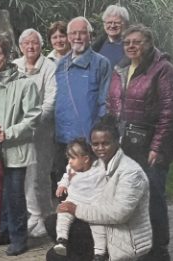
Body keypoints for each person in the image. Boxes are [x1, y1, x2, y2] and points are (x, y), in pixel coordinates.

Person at [106, 24, 173, 261]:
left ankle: (159, 252)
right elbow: (113, 106)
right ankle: (137, 248)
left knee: (153, 199)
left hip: (152, 147)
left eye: (137, 41)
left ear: (149, 43)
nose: (131, 46)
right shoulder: (120, 69)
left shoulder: (162, 69)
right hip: (127, 145)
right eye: (127, 42)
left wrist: (157, 146)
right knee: (133, 199)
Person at [46, 116, 152, 261]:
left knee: (58, 256)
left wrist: (76, 209)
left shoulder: (130, 172)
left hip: (126, 234)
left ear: (118, 141)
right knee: (52, 223)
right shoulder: (96, 164)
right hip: (105, 222)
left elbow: (119, 215)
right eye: (95, 144)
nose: (100, 148)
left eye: (106, 143)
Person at [0, 33, 41, 256]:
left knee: (14, 194)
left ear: (8, 54)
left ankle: (19, 237)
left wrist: (9, 133)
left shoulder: (25, 83)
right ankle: (1, 232)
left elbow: (33, 118)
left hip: (16, 150)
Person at [54, 16, 112, 180]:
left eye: (82, 33)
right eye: (73, 33)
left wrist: (99, 134)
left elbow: (105, 101)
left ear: (90, 36)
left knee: (90, 185)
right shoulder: (60, 65)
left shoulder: (101, 63)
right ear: (68, 36)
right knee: (64, 185)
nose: (77, 37)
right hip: (63, 137)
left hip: (88, 137)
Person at [13, 28, 57, 238]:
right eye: (27, 43)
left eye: (35, 43)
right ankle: (35, 214)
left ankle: (45, 216)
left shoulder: (49, 67)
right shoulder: (15, 66)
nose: (31, 47)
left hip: (41, 129)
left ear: (41, 46)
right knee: (26, 174)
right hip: (20, 131)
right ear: (21, 47)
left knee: (41, 174)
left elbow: (51, 99)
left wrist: (33, 119)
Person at [52, 139, 108, 261]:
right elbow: (66, 176)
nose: (69, 161)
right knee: (63, 214)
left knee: (99, 228)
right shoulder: (71, 168)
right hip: (73, 201)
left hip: (91, 206)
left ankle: (100, 257)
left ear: (86, 159)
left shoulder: (98, 170)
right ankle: (62, 240)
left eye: (72, 158)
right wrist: (62, 185)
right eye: (68, 158)